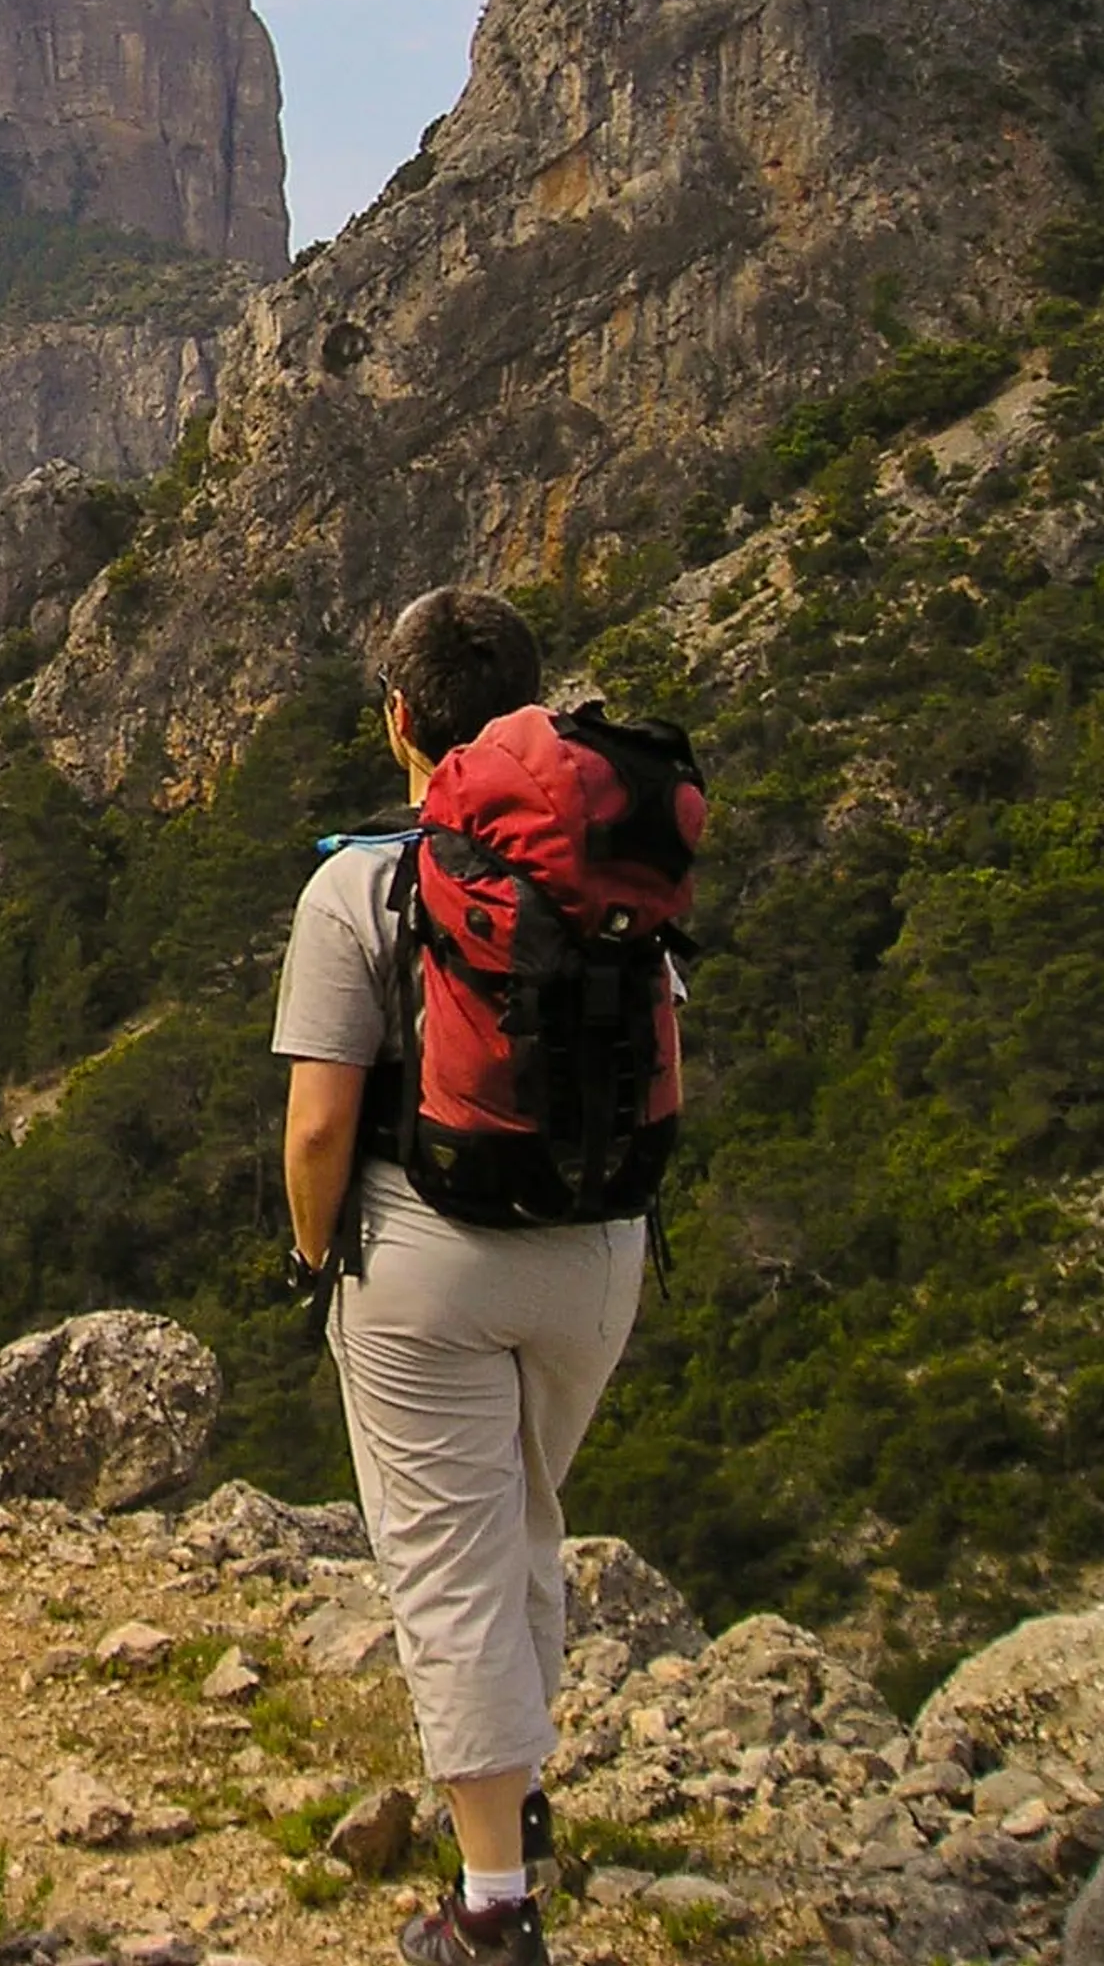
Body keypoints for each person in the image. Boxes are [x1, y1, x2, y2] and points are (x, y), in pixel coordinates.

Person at [273, 586, 653, 1966]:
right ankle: (522, 1804)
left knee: (448, 1566)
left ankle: (494, 1909)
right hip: (600, 1252)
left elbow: (320, 1122)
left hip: (427, 1259)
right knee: (526, 1521)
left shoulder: (360, 883)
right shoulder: (606, 866)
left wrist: (319, 1259)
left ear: (399, 723)